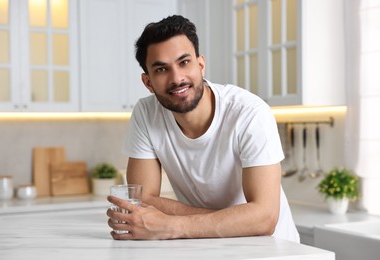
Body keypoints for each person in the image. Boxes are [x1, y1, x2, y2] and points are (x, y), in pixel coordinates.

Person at [107, 15, 300, 242]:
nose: (177, 78)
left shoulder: (250, 113)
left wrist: (172, 224)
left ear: (200, 65)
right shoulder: (146, 113)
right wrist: (232, 220)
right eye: (161, 69)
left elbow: (264, 218)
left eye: (184, 62)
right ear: (148, 82)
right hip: (207, 244)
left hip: (272, 250)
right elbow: (143, 201)